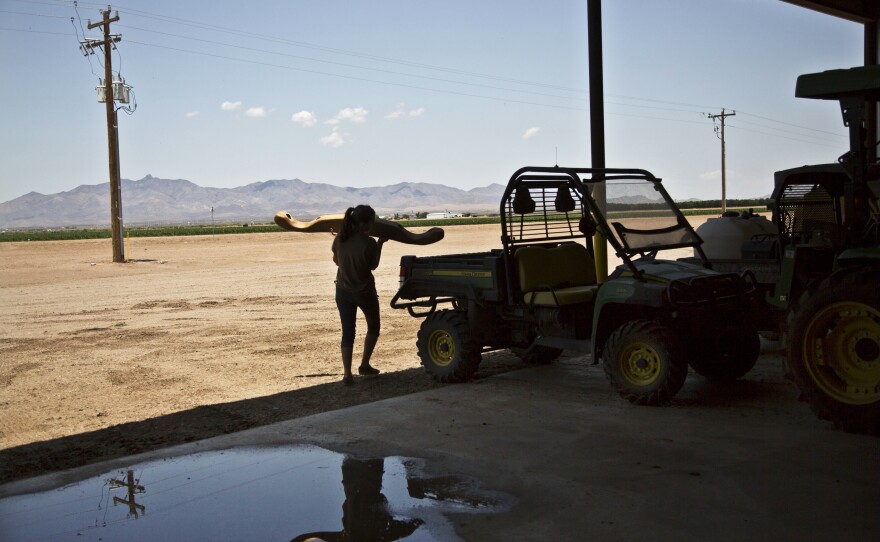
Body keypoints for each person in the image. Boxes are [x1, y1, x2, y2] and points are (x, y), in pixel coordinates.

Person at [332, 205, 387, 385]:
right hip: (365, 292)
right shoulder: (369, 242)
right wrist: (380, 243)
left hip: (342, 291)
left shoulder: (340, 239)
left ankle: (347, 374)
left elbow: (336, 261)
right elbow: (373, 265)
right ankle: (364, 365)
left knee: (348, 332)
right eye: (371, 222)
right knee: (373, 327)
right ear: (364, 223)